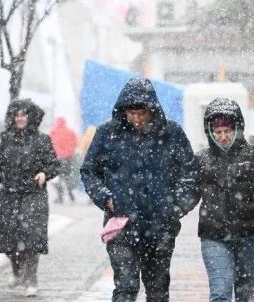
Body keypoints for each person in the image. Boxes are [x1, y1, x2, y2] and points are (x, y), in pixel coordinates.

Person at [80, 78, 196, 302]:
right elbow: (89, 171)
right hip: (121, 223)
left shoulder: (171, 133)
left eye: (141, 113)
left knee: (157, 290)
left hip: (160, 225)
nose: (136, 119)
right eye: (131, 113)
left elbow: (190, 174)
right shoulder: (107, 133)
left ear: (152, 110)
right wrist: (106, 199)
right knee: (125, 287)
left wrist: (177, 205)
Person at [191, 98, 254, 302]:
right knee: (220, 292)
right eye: (218, 132)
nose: (223, 137)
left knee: (246, 294)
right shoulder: (201, 161)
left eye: (227, 131)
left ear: (237, 129)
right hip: (214, 237)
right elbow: (187, 193)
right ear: (210, 132)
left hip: (252, 237)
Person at [0, 99, 60, 297]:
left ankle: (31, 279)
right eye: (16, 115)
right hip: (10, 195)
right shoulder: (7, 139)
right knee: (9, 240)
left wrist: (44, 173)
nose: (20, 118)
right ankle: (17, 270)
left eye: (23, 114)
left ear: (31, 116)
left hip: (34, 195)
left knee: (31, 238)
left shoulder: (42, 140)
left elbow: (54, 164)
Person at [50, 117, 78, 203]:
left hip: (57, 159)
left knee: (56, 178)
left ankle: (60, 195)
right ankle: (69, 191)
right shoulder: (70, 131)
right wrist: (70, 150)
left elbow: (48, 144)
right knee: (67, 177)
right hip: (68, 158)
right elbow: (76, 142)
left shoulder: (53, 131)